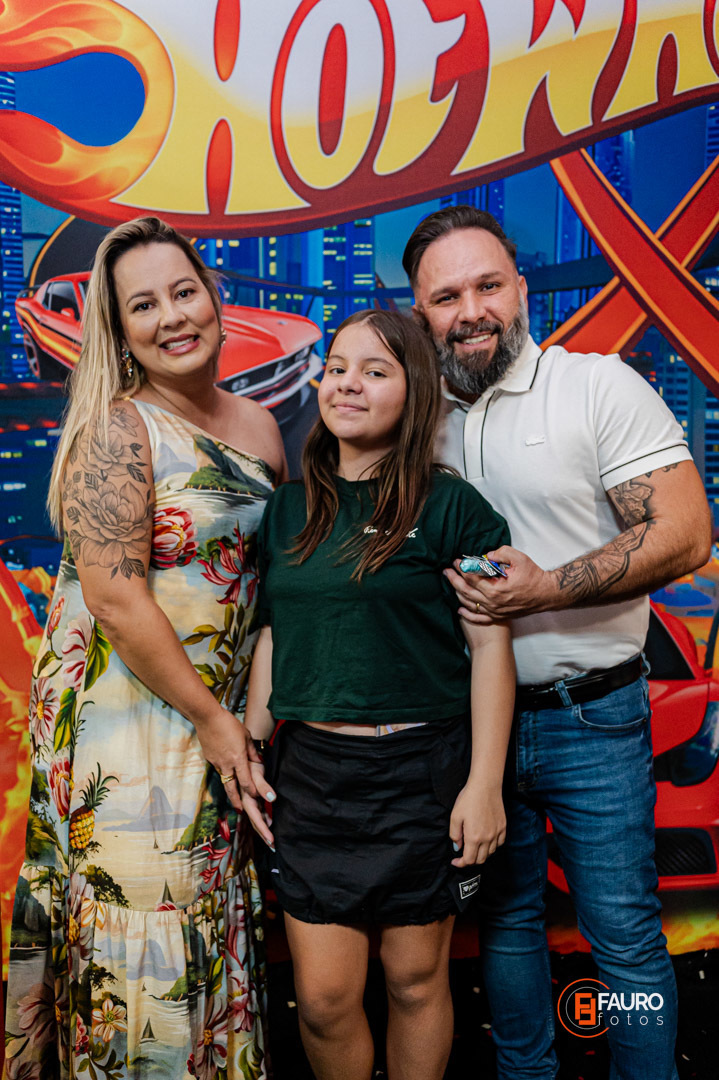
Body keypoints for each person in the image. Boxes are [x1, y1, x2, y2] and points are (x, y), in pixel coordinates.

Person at [402, 204, 712, 1080]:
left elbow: (685, 532)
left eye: (487, 286)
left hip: (594, 717)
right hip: (470, 732)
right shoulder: (409, 417)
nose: (470, 311)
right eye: (445, 297)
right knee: (505, 925)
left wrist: (546, 587)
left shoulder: (595, 388)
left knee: (624, 937)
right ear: (419, 312)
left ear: (521, 290)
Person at [3, 216, 286, 1080]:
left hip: (217, 727)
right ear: (119, 331)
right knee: (144, 929)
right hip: (131, 729)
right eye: (143, 305)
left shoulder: (261, 426)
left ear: (215, 296)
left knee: (205, 917)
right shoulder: (118, 430)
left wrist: (246, 720)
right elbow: (116, 601)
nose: (171, 317)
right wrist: (214, 720)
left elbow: (269, 588)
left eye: (183, 292)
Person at [241, 308, 515, 1080]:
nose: (346, 384)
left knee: (414, 981)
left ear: (415, 390)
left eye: (374, 370)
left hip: (420, 777)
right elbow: (275, 634)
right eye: (335, 368)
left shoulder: (453, 508)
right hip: (311, 782)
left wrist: (484, 786)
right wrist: (249, 745)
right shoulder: (286, 509)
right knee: (323, 1000)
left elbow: (492, 647)